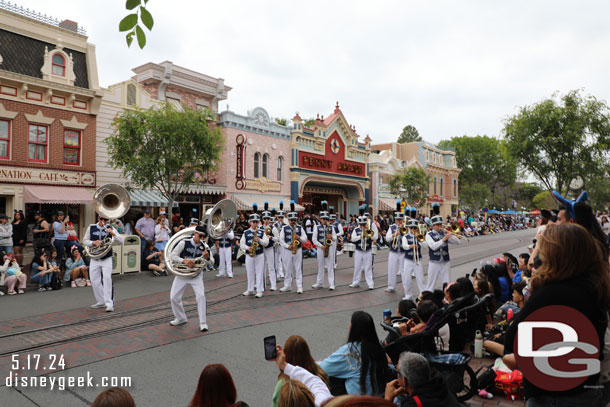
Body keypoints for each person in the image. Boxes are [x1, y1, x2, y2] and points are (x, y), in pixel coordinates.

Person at [503, 224, 610, 405]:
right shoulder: (596, 287)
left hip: (552, 395)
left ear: (555, 255)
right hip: (588, 389)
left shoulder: (550, 293)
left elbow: (512, 341)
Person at [319, 311, 390, 396]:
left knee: (329, 377)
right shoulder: (378, 348)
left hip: (359, 402)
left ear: (353, 328)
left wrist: (319, 362)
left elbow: (323, 368)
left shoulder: (351, 351)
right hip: (380, 398)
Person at [168, 225, 209, 331]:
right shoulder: (184, 243)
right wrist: (184, 261)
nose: (202, 239)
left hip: (196, 275)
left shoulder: (205, 246)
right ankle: (181, 318)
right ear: (195, 234)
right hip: (182, 274)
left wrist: (207, 257)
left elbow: (212, 262)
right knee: (174, 297)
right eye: (200, 236)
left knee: (201, 296)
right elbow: (172, 256)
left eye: (204, 237)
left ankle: (203, 322)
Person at [384, 352, 460, 407]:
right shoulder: (440, 383)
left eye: (396, 370)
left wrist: (387, 400)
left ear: (404, 380)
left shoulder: (413, 404)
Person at [272, 335, 330, 407]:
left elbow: (312, 381)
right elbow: (314, 382)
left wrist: (284, 365)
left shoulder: (282, 385)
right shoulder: (320, 372)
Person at [83, 214, 124, 312]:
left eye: (105, 219)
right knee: (94, 280)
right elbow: (85, 241)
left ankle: (109, 303)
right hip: (95, 258)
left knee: (106, 279)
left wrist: (113, 233)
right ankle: (101, 301)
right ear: (98, 218)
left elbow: (121, 241)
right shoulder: (91, 227)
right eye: (102, 219)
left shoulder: (111, 228)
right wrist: (93, 243)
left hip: (106, 258)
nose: (103, 221)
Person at [425, 210, 461, 292]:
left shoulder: (444, 233)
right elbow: (433, 246)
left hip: (445, 261)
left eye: (440, 224)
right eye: (437, 225)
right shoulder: (429, 234)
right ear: (433, 226)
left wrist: (450, 235)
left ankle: (447, 298)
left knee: (447, 282)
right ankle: (428, 298)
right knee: (430, 283)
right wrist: (444, 239)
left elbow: (458, 242)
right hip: (434, 261)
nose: (439, 226)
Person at [240, 207, 269, 298]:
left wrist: (259, 239)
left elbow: (266, 243)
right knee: (250, 272)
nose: (255, 224)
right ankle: (250, 289)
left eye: (256, 222)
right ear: (250, 222)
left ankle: (260, 290)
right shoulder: (246, 232)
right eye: (253, 222)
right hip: (249, 255)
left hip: (259, 255)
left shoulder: (261, 232)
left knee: (260, 272)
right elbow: (241, 244)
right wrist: (247, 248)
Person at [279, 202, 307, 294]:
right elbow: (281, 240)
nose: (293, 221)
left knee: (298, 269)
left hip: (298, 250)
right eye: (291, 220)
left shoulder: (299, 227)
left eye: (294, 220)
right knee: (287, 269)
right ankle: (287, 285)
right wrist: (288, 246)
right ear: (288, 219)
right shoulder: (284, 228)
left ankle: (299, 286)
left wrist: (299, 238)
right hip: (288, 250)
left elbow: (305, 239)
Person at [349, 210, 378, 290]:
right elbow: (353, 239)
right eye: (361, 225)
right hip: (358, 250)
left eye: (364, 224)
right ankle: (355, 282)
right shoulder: (356, 230)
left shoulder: (369, 229)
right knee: (357, 267)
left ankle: (370, 284)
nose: (362, 226)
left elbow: (375, 237)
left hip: (367, 250)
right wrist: (360, 236)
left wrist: (369, 235)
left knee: (368, 267)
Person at [312, 205, 337, 291]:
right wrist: (320, 246)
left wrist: (332, 237)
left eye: (326, 219)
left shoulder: (331, 227)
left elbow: (335, 238)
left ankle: (331, 284)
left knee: (330, 266)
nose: (324, 220)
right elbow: (314, 239)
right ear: (320, 219)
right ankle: (319, 283)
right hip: (320, 248)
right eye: (323, 219)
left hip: (329, 248)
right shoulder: (316, 227)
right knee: (320, 266)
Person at [402, 220, 427, 300]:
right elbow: (404, 246)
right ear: (408, 228)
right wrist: (410, 246)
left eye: (414, 228)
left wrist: (418, 237)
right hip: (408, 260)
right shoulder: (405, 236)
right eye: (411, 228)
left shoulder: (419, 236)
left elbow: (425, 246)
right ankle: (408, 295)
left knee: (420, 278)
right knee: (407, 278)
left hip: (417, 260)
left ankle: (423, 294)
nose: (413, 229)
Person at [385, 202, 405, 294]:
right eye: (397, 220)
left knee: (404, 270)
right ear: (395, 220)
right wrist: (394, 234)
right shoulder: (392, 227)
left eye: (400, 220)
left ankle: (406, 287)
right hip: (393, 251)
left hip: (403, 251)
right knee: (392, 269)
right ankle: (391, 286)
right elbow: (387, 238)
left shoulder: (406, 227)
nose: (399, 221)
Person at [261, 206, 278, 290]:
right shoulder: (259, 228)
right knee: (262, 267)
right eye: (265, 218)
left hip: (270, 248)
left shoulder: (273, 228)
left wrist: (271, 237)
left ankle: (273, 285)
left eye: (268, 218)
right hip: (261, 249)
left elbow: (277, 239)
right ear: (263, 219)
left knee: (271, 266)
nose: (266, 220)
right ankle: (262, 284)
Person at [274, 205, 286, 280]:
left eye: (282, 217)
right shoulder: (274, 225)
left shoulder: (285, 225)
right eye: (279, 217)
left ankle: (283, 273)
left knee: (283, 259)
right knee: (276, 260)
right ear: (277, 217)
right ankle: (278, 274)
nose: (280, 219)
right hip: (276, 244)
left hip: (282, 244)